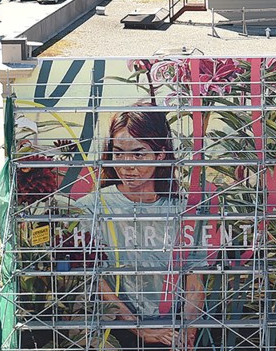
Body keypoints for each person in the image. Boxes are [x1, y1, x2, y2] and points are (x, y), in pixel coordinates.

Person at [77, 106, 204, 349]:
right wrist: (137, 327)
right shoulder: (93, 208)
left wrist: (187, 331)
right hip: (114, 335)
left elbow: (195, 282)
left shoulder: (184, 210)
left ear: (160, 155)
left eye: (138, 155)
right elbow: (94, 279)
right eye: (118, 154)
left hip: (172, 334)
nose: (126, 166)